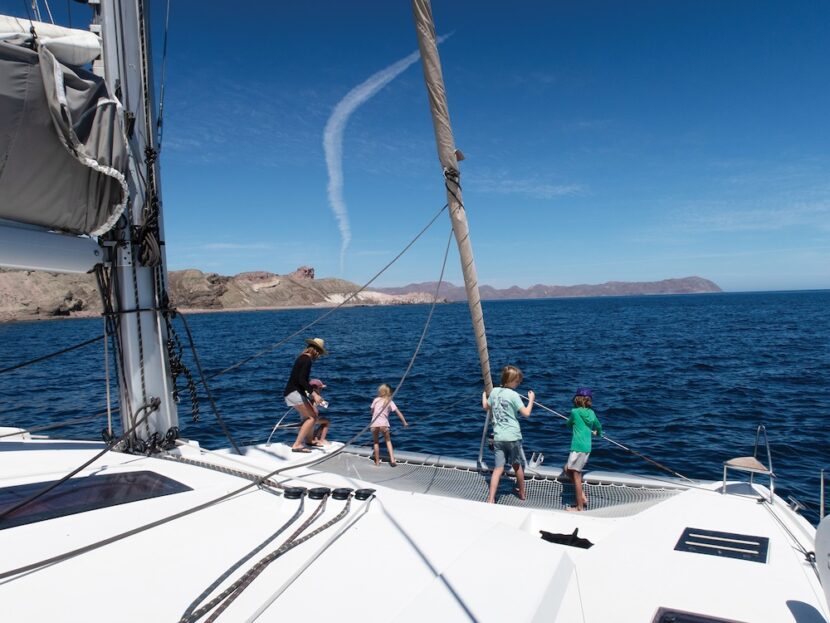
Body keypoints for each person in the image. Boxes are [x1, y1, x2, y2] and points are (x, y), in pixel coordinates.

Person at [482, 365, 535, 503]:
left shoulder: (494, 392)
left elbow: (486, 407)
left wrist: (484, 396)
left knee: (498, 469)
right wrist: (531, 400)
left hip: (498, 437)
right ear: (511, 381)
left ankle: (491, 497)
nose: (519, 384)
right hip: (513, 437)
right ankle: (522, 493)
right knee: (517, 466)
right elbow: (526, 413)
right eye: (517, 381)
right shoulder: (514, 395)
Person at [283, 338, 327, 453]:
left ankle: (309, 441)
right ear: (316, 351)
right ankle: (297, 444)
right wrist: (315, 395)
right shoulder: (307, 360)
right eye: (320, 354)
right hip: (294, 393)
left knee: (310, 416)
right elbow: (302, 380)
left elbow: (299, 381)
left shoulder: (301, 357)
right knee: (312, 417)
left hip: (292, 392)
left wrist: (308, 394)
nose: (319, 356)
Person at [564, 387, 603, 511]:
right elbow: (598, 426)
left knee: (576, 477)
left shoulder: (574, 412)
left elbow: (568, 425)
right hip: (587, 449)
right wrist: (598, 433)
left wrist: (570, 422)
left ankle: (580, 506)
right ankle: (582, 497)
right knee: (567, 469)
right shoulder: (592, 413)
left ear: (577, 399)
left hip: (577, 448)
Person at [370, 383, 408, 466]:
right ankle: (392, 460)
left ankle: (377, 462)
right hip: (384, 424)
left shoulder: (376, 400)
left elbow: (372, 412)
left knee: (376, 443)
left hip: (374, 424)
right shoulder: (389, 401)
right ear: (389, 392)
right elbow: (398, 413)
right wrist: (404, 422)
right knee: (388, 441)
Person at [308, 378, 330, 446]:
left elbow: (324, 404)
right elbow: (325, 405)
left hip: (308, 417)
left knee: (322, 421)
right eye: (320, 388)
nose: (321, 390)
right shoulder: (314, 396)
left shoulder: (308, 395)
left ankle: (315, 436)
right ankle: (322, 439)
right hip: (312, 417)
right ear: (315, 389)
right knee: (327, 422)